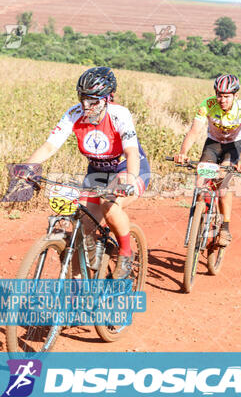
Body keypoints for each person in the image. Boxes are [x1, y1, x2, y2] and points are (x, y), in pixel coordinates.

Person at [15, 67, 150, 279]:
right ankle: (78, 287)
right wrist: (28, 167)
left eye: (94, 101)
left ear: (108, 98)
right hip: (97, 172)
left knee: (110, 207)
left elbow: (131, 151)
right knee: (82, 226)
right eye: (83, 99)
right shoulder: (74, 114)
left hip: (128, 168)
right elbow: (50, 146)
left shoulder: (119, 114)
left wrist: (130, 178)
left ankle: (125, 253)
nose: (86, 106)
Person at [174, 74, 241, 247]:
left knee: (222, 182)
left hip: (234, 146)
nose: (222, 99)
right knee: (200, 182)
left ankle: (225, 227)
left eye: (226, 96)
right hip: (213, 144)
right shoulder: (207, 104)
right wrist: (183, 153)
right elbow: (194, 132)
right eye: (219, 95)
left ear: (236, 96)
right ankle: (199, 217)